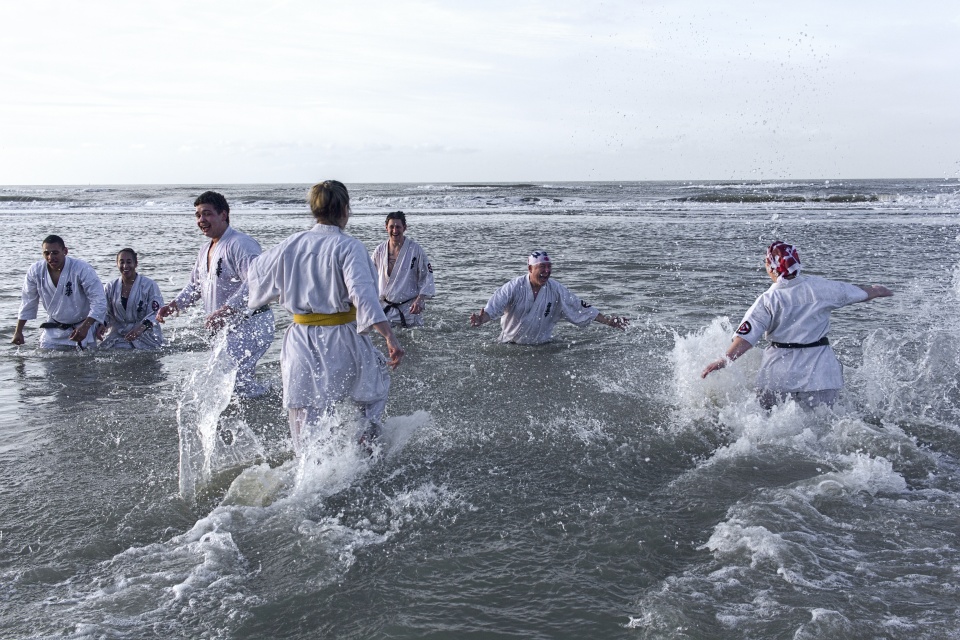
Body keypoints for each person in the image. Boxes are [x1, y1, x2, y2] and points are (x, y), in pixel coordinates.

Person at [247, 180, 404, 452]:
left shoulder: (291, 244)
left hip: (298, 339)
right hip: (341, 336)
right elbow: (363, 296)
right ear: (345, 209)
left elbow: (255, 276)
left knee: (304, 413)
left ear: (314, 210)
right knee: (373, 391)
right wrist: (389, 336)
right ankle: (363, 450)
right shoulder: (349, 247)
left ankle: (306, 470)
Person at [701, 241, 893, 409]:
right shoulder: (823, 288)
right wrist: (881, 290)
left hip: (779, 374)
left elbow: (746, 338)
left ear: (770, 266)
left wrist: (725, 360)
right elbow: (864, 292)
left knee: (770, 425)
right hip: (822, 374)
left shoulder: (769, 300)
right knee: (825, 427)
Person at [155, 191, 275, 397]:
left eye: (207, 214)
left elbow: (257, 282)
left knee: (234, 384)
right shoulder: (205, 250)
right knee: (225, 382)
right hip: (227, 328)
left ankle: (269, 404)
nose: (201, 220)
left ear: (223, 215)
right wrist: (174, 306)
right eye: (198, 215)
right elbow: (195, 286)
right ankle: (270, 399)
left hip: (252, 323)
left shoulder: (240, 244)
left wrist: (227, 310)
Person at [469, 250, 628, 344]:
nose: (546, 271)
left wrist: (609, 322)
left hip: (542, 347)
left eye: (549, 267)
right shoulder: (513, 287)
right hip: (510, 345)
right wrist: (481, 319)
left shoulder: (556, 289)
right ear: (530, 268)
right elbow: (494, 306)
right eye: (542, 267)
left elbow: (580, 307)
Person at [13, 235, 107, 349]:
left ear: (65, 251)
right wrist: (18, 331)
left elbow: (99, 301)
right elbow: (28, 301)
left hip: (83, 327)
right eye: (46, 253)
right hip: (53, 329)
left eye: (55, 253)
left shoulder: (82, 269)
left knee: (85, 365)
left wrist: (85, 327)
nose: (50, 257)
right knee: (47, 361)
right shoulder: (36, 271)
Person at [371, 211, 435, 327]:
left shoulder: (415, 250)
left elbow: (427, 277)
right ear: (386, 228)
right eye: (391, 227)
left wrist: (420, 300)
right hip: (384, 311)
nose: (395, 231)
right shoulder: (379, 251)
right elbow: (369, 277)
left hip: (408, 311)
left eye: (398, 227)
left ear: (404, 228)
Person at [97, 248, 164, 350]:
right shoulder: (110, 287)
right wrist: (103, 325)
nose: (125, 266)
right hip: (119, 335)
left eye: (129, 262)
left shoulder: (149, 285)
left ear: (136, 263)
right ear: (117, 264)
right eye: (121, 262)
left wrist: (139, 329)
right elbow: (106, 313)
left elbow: (157, 314)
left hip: (145, 336)